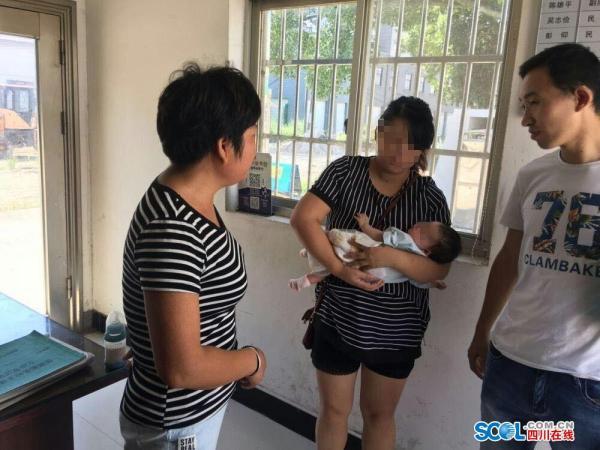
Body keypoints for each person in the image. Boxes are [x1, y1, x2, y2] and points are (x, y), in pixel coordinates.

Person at [118, 63, 267, 450]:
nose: (256, 147)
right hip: (176, 425)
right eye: (252, 136)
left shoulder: (190, 199)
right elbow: (181, 368)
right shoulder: (173, 227)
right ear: (224, 146)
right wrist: (251, 360)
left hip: (191, 414)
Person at [290, 96, 453, 450]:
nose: (399, 153)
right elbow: (303, 218)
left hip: (397, 330)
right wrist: (340, 270)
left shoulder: (429, 197)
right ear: (378, 133)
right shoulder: (345, 172)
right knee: (334, 412)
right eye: (392, 139)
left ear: (422, 151)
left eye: (411, 146)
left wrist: (388, 256)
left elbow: (437, 268)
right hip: (339, 316)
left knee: (379, 416)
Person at [468, 43, 600, 449]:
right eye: (523, 106)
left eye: (535, 103)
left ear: (580, 98)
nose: (525, 118)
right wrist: (482, 331)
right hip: (510, 366)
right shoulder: (533, 175)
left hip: (585, 383)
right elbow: (510, 258)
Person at [289, 217, 460, 290]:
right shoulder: (420, 266)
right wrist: (433, 284)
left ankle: (312, 249)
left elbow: (379, 236)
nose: (418, 226)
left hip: (367, 251)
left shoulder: (405, 239)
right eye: (423, 224)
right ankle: (308, 279)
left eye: (422, 232)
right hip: (373, 277)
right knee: (338, 264)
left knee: (337, 239)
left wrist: (365, 225)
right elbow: (420, 281)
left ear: (427, 251)